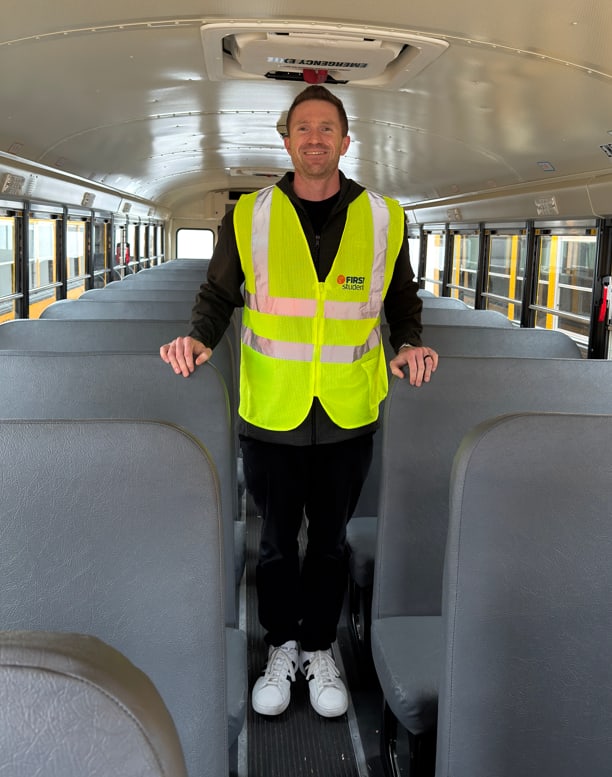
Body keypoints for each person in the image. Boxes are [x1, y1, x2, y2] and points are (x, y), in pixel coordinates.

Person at [160, 84, 438, 719]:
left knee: (333, 543)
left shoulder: (385, 218)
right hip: (272, 411)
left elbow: (402, 303)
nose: (315, 138)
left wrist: (412, 344)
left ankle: (319, 647)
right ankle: (280, 646)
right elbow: (216, 295)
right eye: (303, 128)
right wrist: (196, 339)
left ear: (346, 141)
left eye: (327, 128)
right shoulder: (249, 216)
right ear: (287, 141)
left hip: (347, 410)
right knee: (278, 544)